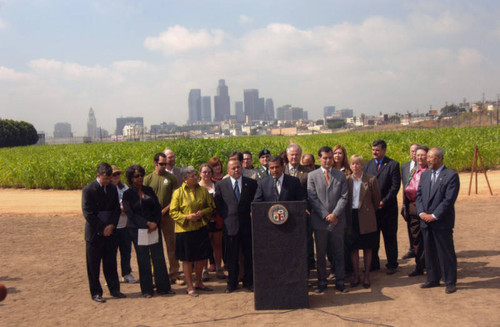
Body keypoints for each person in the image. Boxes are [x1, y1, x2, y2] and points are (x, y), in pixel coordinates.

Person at [122, 165, 174, 298]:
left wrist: (155, 223)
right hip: (138, 230)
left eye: (141, 175)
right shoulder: (128, 194)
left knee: (158, 257)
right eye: (136, 176)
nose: (139, 178)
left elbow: (157, 208)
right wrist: (146, 224)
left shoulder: (149, 190)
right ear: (130, 178)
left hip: (154, 228)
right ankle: (147, 290)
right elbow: (130, 213)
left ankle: (163, 288)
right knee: (143, 259)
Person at [417, 147, 460, 294]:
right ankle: (432, 278)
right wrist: (421, 212)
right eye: (427, 157)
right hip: (425, 221)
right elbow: (419, 195)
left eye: (431, 157)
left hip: (441, 222)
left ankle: (450, 281)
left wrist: (434, 216)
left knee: (445, 252)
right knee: (429, 251)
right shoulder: (425, 175)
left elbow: (448, 200)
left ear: (440, 158)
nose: (427, 160)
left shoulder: (451, 176)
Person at [82, 162, 125, 303]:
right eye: (104, 179)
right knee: (93, 265)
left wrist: (111, 225)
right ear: (98, 175)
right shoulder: (89, 190)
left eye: (109, 179)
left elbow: (116, 210)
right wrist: (102, 228)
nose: (107, 181)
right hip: (95, 234)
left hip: (110, 232)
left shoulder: (112, 189)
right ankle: (96, 292)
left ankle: (115, 289)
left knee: (111, 263)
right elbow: (88, 213)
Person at [307, 146, 348, 293]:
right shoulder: (312, 176)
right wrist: (326, 215)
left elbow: (344, 197)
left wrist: (335, 214)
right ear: (319, 158)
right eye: (325, 158)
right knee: (321, 253)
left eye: (330, 158)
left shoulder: (340, 175)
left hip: (337, 221)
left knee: (338, 252)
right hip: (320, 222)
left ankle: (340, 281)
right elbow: (312, 197)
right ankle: (322, 282)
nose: (328, 160)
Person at [170, 166, 215, 297]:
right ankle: (190, 286)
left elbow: (211, 206)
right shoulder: (178, 193)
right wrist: (187, 217)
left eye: (196, 175)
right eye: (192, 176)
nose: (196, 178)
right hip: (185, 230)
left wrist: (202, 213)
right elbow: (173, 212)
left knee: (201, 257)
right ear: (184, 179)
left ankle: (199, 282)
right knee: (188, 259)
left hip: (200, 228)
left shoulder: (203, 190)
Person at [215, 158, 258, 293]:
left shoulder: (251, 183)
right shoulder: (222, 185)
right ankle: (232, 283)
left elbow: (255, 202)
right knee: (231, 257)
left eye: (238, 167)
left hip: (247, 226)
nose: (236, 170)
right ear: (228, 170)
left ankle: (248, 281)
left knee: (248, 256)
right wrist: (227, 217)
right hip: (230, 226)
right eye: (233, 168)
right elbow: (219, 204)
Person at [143, 153, 184, 286]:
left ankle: (174, 274)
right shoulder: (148, 179)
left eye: (165, 164)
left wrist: (165, 210)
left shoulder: (171, 178)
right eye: (161, 164)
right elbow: (143, 199)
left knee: (171, 245)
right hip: (153, 219)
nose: (164, 166)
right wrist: (154, 214)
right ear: (155, 163)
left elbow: (175, 198)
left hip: (168, 217)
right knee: (154, 246)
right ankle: (157, 275)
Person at [363, 139, 401, 274]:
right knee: (373, 238)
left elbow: (395, 187)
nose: (375, 152)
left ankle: (392, 264)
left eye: (377, 150)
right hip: (372, 210)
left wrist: (383, 201)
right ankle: (373, 264)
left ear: (384, 150)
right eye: (373, 150)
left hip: (388, 209)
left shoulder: (393, 165)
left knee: (389, 237)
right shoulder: (367, 166)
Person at [347, 155, 381, 289]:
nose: (355, 166)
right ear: (350, 166)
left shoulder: (371, 180)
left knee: (367, 248)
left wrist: (369, 211)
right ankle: (356, 275)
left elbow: (376, 200)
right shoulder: (346, 180)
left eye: (358, 164)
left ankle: (367, 275)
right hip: (352, 217)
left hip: (366, 217)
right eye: (353, 164)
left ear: (362, 165)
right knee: (353, 248)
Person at [284, 144, 315, 270]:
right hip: (285, 213)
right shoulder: (281, 170)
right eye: (292, 154)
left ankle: (308, 266)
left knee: (306, 241)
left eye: (297, 154)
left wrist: (307, 207)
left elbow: (311, 193)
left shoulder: (308, 173)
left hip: (303, 212)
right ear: (287, 156)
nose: (294, 157)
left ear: (300, 155)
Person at [404, 146, 429, 277]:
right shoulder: (414, 170)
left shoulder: (429, 171)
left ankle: (431, 266)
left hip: (426, 209)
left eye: (422, 155)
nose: (419, 157)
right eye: (418, 155)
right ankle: (419, 265)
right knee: (416, 239)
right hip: (412, 207)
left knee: (428, 238)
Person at [198, 163, 226, 280]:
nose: (207, 174)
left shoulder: (217, 185)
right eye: (204, 172)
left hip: (217, 219)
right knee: (205, 246)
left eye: (209, 172)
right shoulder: (197, 187)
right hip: (203, 220)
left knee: (217, 245)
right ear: (200, 173)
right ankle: (204, 270)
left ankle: (219, 268)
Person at [110, 165, 137, 284]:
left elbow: (130, 201)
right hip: (113, 226)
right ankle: (111, 275)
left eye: (118, 174)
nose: (116, 177)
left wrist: (126, 208)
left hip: (125, 225)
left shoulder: (124, 187)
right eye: (113, 175)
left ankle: (126, 273)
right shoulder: (108, 189)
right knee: (111, 253)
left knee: (126, 251)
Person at [331, 144, 353, 277]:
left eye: (340, 153)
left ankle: (348, 268)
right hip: (333, 211)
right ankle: (335, 268)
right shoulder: (329, 170)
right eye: (335, 153)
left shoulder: (349, 171)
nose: (337, 156)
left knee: (346, 241)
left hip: (346, 210)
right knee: (333, 243)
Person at [401, 143, 420, 260]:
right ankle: (412, 249)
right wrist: (404, 203)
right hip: (408, 203)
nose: (414, 153)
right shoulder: (404, 167)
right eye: (412, 151)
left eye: (416, 151)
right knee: (410, 226)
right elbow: (404, 186)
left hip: (420, 203)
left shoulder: (424, 167)